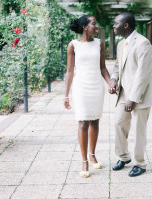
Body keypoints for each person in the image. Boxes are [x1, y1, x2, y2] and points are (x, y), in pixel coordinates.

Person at [64, 15, 111, 178]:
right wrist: (66, 95)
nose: (96, 27)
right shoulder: (73, 45)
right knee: (83, 122)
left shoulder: (99, 43)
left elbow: (103, 68)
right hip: (81, 87)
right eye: (94, 24)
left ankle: (92, 154)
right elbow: (70, 71)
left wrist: (111, 82)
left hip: (96, 86)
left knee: (95, 122)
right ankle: (84, 160)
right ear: (85, 27)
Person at [109, 12, 152, 177]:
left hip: (139, 95)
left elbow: (143, 74)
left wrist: (133, 98)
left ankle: (140, 164)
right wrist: (113, 79)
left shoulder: (143, 43)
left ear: (125, 25)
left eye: (116, 24)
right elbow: (117, 65)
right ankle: (124, 157)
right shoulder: (122, 44)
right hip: (123, 93)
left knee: (138, 130)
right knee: (119, 123)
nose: (114, 26)